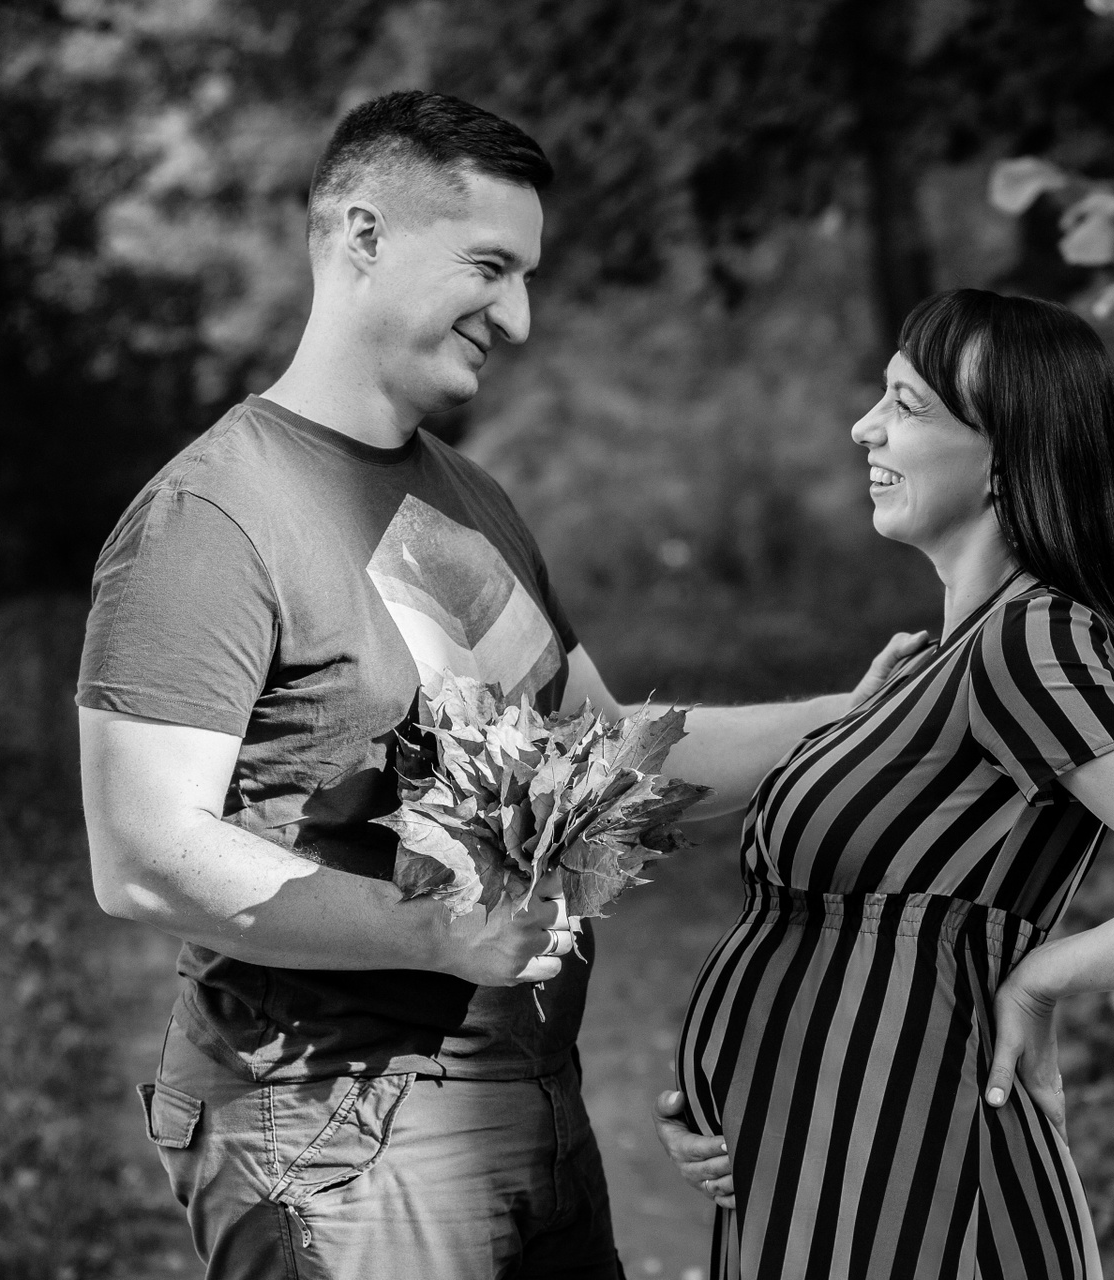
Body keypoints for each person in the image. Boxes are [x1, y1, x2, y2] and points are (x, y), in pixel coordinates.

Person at [76, 90, 925, 1280]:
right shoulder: (212, 516)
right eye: (489, 266)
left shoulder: (469, 499)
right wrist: (435, 932)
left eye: (526, 277)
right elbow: (143, 853)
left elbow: (611, 761)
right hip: (335, 1130)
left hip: (526, 1100)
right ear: (364, 234)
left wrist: (854, 719)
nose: (518, 316)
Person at [651, 289, 1114, 1278]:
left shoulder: (1032, 642)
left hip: (913, 1178)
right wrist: (732, 1089)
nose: (864, 426)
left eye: (906, 405)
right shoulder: (941, 663)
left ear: (1007, 456)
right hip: (817, 1170)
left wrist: (1043, 979)